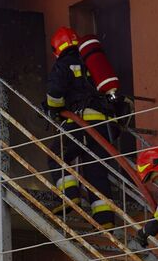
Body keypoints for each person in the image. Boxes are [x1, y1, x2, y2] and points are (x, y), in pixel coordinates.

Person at [43, 26, 122, 229]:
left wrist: (53, 109)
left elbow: (54, 93)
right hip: (105, 125)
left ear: (57, 49)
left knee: (56, 154)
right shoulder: (91, 62)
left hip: (83, 122)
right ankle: (105, 218)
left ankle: (69, 196)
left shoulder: (64, 63)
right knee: (95, 169)